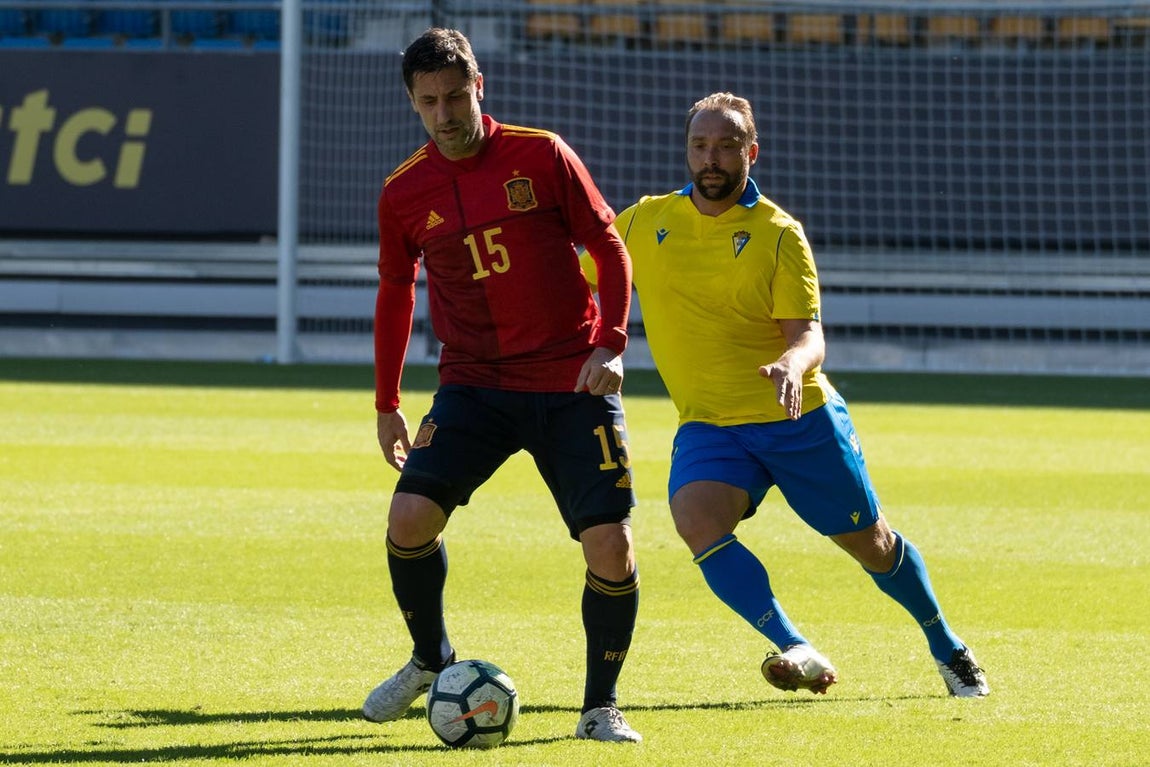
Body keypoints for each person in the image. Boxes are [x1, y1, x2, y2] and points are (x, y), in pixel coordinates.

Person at [612, 92, 989, 698]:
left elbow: (808, 335)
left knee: (873, 545)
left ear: (750, 152)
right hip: (711, 424)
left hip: (799, 420)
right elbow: (581, 276)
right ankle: (794, 645)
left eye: (727, 145)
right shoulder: (642, 222)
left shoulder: (779, 234)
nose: (711, 158)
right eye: (700, 145)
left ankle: (946, 644)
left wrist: (791, 363)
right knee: (697, 521)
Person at [361, 28, 642, 742]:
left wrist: (612, 342)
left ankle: (599, 706)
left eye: (456, 95)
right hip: (474, 384)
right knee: (407, 520)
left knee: (610, 545)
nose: (446, 113)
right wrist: (388, 403)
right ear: (413, 103)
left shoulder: (541, 155)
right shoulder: (403, 192)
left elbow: (608, 246)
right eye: (430, 102)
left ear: (479, 85)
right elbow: (396, 291)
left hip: (568, 377)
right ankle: (431, 658)